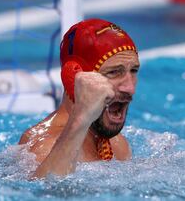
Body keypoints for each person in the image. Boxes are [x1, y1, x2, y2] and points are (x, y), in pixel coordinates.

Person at [18, 19, 140, 178]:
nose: (130, 88)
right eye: (114, 72)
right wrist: (80, 118)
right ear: (73, 78)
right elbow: (43, 192)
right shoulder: (43, 148)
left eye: (134, 70)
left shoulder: (117, 144)